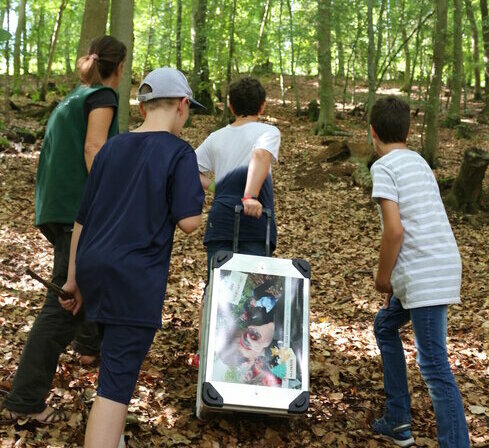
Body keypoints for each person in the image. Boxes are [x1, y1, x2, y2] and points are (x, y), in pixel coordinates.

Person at [58, 67, 205, 447]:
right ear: (183, 106)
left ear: (141, 107)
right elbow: (189, 222)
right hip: (133, 277)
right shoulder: (179, 152)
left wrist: (73, 278)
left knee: (113, 361)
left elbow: (81, 220)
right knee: (116, 384)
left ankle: (114, 438)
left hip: (94, 269)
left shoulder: (112, 147)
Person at [1, 35, 126, 424]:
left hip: (57, 209)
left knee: (82, 290)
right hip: (79, 210)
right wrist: (110, 202)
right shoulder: (102, 97)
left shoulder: (71, 99)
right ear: (118, 67)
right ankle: (26, 400)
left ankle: (85, 352)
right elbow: (94, 150)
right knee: (64, 307)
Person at [369, 96, 470, 447]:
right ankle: (398, 420)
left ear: (372, 132)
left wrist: (383, 279)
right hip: (436, 265)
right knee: (384, 325)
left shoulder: (383, 167)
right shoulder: (419, 162)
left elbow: (395, 230)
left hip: (424, 273)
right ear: (409, 131)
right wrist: (394, 284)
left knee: (434, 366)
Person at [196, 77, 281, 278]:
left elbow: (189, 170)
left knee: (216, 291)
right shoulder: (269, 132)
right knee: (252, 294)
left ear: (230, 106)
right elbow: (261, 155)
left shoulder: (215, 137)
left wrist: (215, 187)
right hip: (256, 222)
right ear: (262, 106)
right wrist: (250, 196)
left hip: (221, 221)